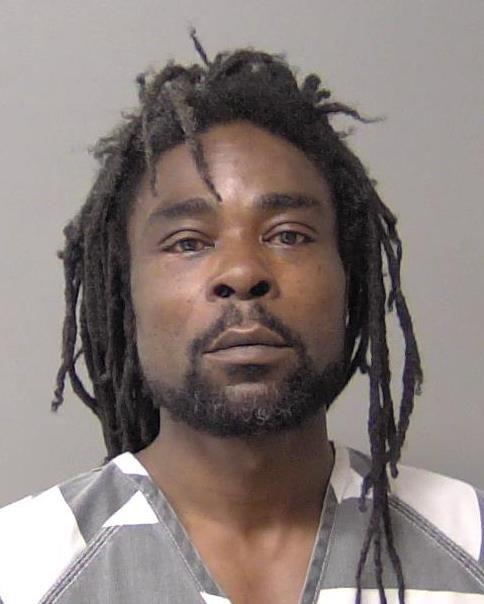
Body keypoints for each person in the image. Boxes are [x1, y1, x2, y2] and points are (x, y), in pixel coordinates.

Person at [0, 32, 483, 604]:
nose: (242, 271)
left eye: (288, 235)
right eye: (187, 242)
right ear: (125, 294)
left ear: (349, 278)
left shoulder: (469, 539)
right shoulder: (20, 566)